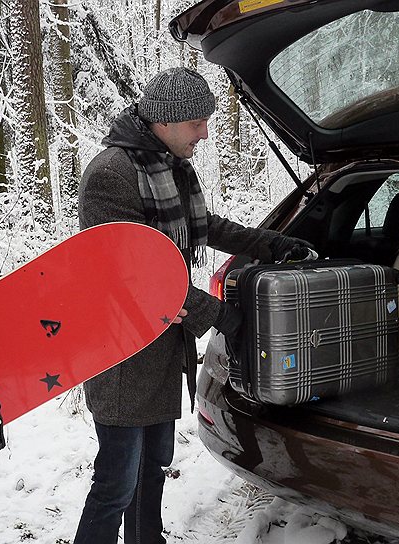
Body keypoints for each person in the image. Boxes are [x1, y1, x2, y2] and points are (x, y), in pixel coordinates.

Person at [73, 67, 314, 544]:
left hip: (162, 346)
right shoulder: (111, 176)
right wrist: (219, 314)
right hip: (122, 354)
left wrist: (270, 243)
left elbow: (205, 224)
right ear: (164, 121)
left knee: (153, 469)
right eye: (196, 122)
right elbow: (131, 275)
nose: (205, 132)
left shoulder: (170, 166)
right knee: (116, 483)